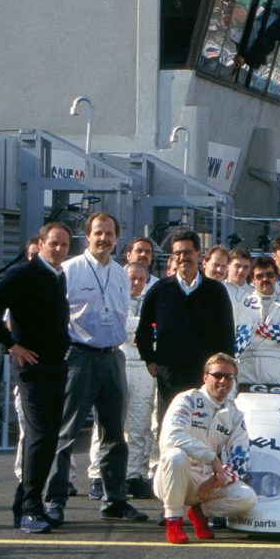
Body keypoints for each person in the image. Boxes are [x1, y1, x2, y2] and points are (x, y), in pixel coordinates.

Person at [0, 222, 73, 534]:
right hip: (33, 370)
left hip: (56, 366)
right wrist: (10, 344)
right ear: (41, 243)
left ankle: (27, 502)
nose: (59, 249)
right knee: (38, 436)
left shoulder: (57, 276)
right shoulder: (25, 273)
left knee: (49, 438)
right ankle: (30, 509)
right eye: (53, 243)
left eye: (63, 244)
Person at [55, 213, 146, 520]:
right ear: (87, 236)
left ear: (116, 238)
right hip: (79, 356)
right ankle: (55, 501)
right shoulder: (69, 271)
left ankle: (115, 500)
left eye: (109, 234)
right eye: (98, 233)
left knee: (114, 435)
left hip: (112, 357)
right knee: (66, 432)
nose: (103, 238)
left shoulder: (121, 275)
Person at [156, 353, 258, 544]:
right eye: (217, 375)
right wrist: (212, 457)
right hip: (175, 474)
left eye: (229, 377)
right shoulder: (187, 400)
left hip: (207, 479)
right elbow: (172, 436)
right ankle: (173, 521)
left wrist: (216, 478)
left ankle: (199, 513)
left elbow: (241, 458)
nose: (223, 381)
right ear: (205, 377)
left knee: (248, 498)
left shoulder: (235, 414)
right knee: (175, 455)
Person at [137, 229, 238, 419]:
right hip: (170, 376)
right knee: (170, 428)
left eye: (188, 252)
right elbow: (143, 330)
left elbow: (226, 334)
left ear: (198, 254)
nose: (183, 257)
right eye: (178, 253)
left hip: (206, 375)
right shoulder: (160, 290)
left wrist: (223, 371)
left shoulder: (215, 291)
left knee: (205, 427)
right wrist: (149, 359)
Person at [118, 261, 157, 498]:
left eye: (141, 279)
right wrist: (141, 327)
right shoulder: (114, 299)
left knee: (140, 424)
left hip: (142, 365)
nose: (135, 283)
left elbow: (154, 329)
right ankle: (99, 475)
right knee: (110, 423)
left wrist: (139, 328)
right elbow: (119, 328)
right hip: (120, 362)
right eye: (132, 278)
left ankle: (135, 474)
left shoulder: (150, 303)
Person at [232, 257, 280, 384]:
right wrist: (274, 332)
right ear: (253, 279)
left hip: (275, 365)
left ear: (276, 277)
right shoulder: (242, 302)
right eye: (259, 276)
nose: (265, 279)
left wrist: (259, 329)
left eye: (269, 275)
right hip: (247, 365)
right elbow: (242, 336)